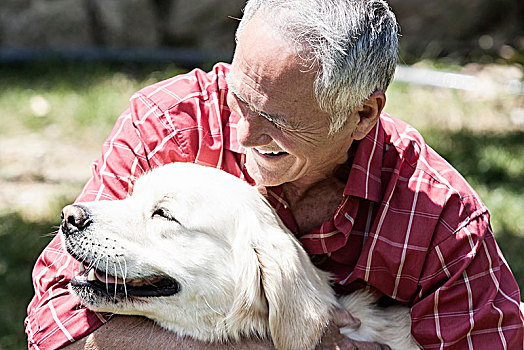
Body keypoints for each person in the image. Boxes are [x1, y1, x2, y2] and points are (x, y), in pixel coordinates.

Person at [25, 0, 523, 349]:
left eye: (279, 122)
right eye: (239, 99)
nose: (240, 136)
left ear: (362, 116)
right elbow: (55, 323)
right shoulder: (166, 124)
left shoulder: (441, 219)